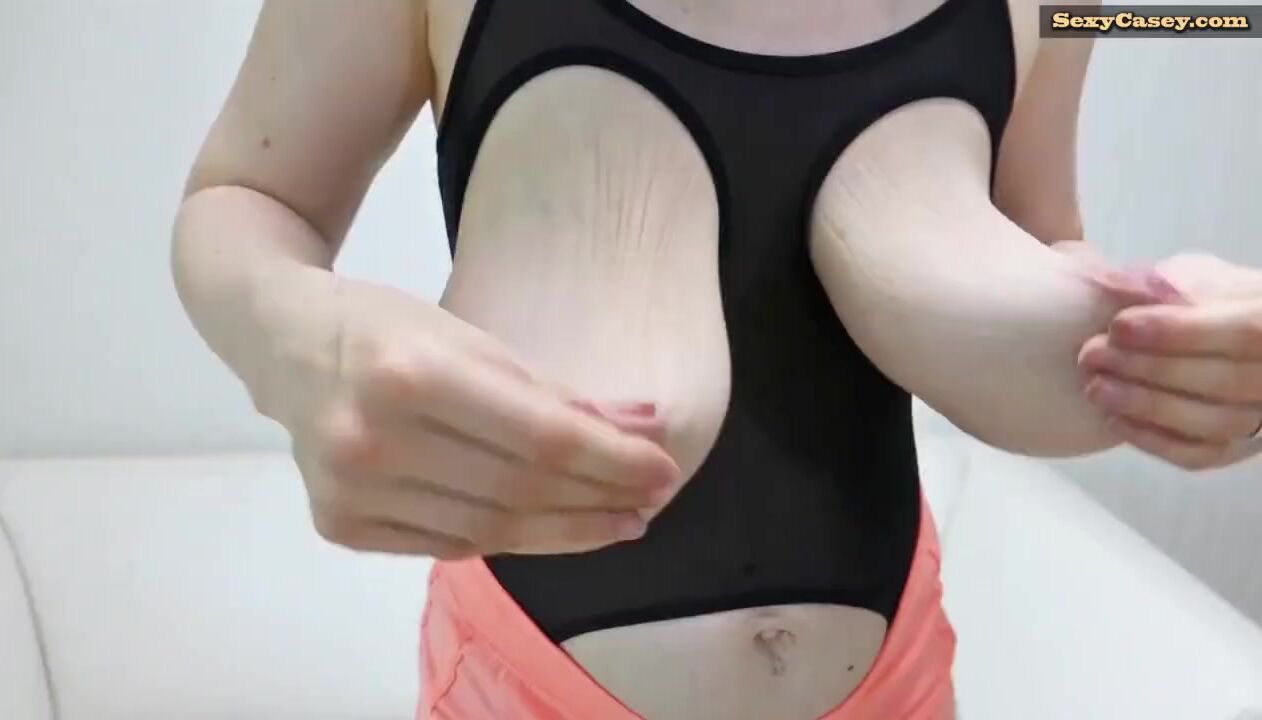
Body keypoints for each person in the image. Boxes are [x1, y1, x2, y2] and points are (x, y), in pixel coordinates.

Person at [171, 1, 1262, 718]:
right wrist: (295, 338)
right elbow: (247, 196)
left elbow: (1039, 242)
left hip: (898, 678)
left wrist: (1198, 355)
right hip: (535, 685)